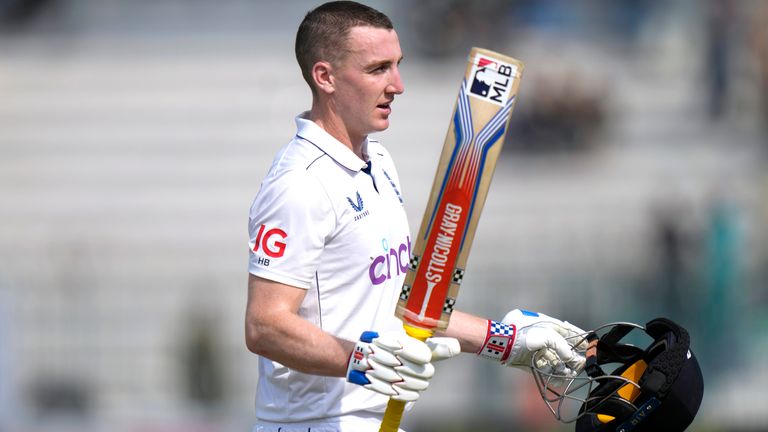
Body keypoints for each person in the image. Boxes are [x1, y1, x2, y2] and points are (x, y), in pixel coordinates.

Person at [245, 2, 587, 431]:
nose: (398, 85)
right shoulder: (299, 184)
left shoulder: (379, 161)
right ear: (325, 77)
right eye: (377, 69)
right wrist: (360, 359)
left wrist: (504, 341)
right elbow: (265, 326)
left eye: (398, 66)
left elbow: (396, 305)